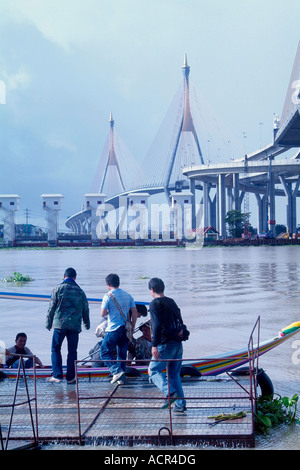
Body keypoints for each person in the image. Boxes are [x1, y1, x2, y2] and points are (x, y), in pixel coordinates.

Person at [148, 277, 187, 412]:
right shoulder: (171, 302)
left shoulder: (154, 303)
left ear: (152, 290)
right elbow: (180, 321)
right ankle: (180, 405)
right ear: (162, 288)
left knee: (153, 370)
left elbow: (157, 325)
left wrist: (154, 345)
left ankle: (169, 392)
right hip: (177, 344)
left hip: (165, 345)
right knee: (174, 374)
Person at [45, 267, 90, 384]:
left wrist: (48, 323)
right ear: (75, 277)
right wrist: (87, 324)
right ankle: (71, 378)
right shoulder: (80, 291)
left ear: (64, 276)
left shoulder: (58, 289)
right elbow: (86, 310)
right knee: (72, 351)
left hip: (59, 325)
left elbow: (51, 308)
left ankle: (57, 375)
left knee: (55, 349)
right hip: (74, 326)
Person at [100, 273, 138, 384]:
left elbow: (103, 314)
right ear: (118, 283)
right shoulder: (128, 295)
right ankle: (121, 378)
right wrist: (133, 326)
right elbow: (134, 312)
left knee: (104, 352)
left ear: (108, 284)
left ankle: (116, 371)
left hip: (113, 329)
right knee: (122, 354)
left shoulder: (108, 296)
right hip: (125, 329)